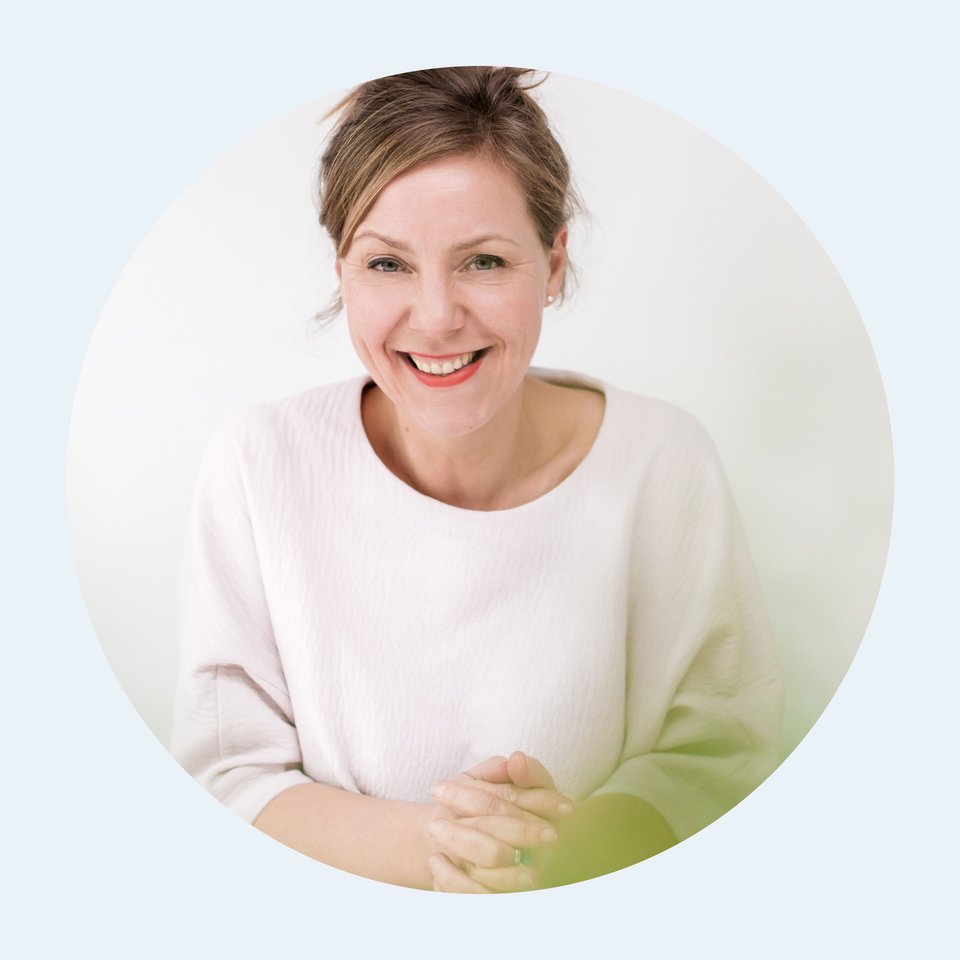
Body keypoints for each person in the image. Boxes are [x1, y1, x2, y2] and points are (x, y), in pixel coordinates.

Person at [170, 66, 783, 893]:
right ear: (342, 268)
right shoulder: (258, 465)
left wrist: (562, 854)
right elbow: (225, 776)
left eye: (484, 261)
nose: (435, 318)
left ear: (554, 262)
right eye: (387, 264)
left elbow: (720, 756)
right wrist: (448, 846)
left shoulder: (662, 462)